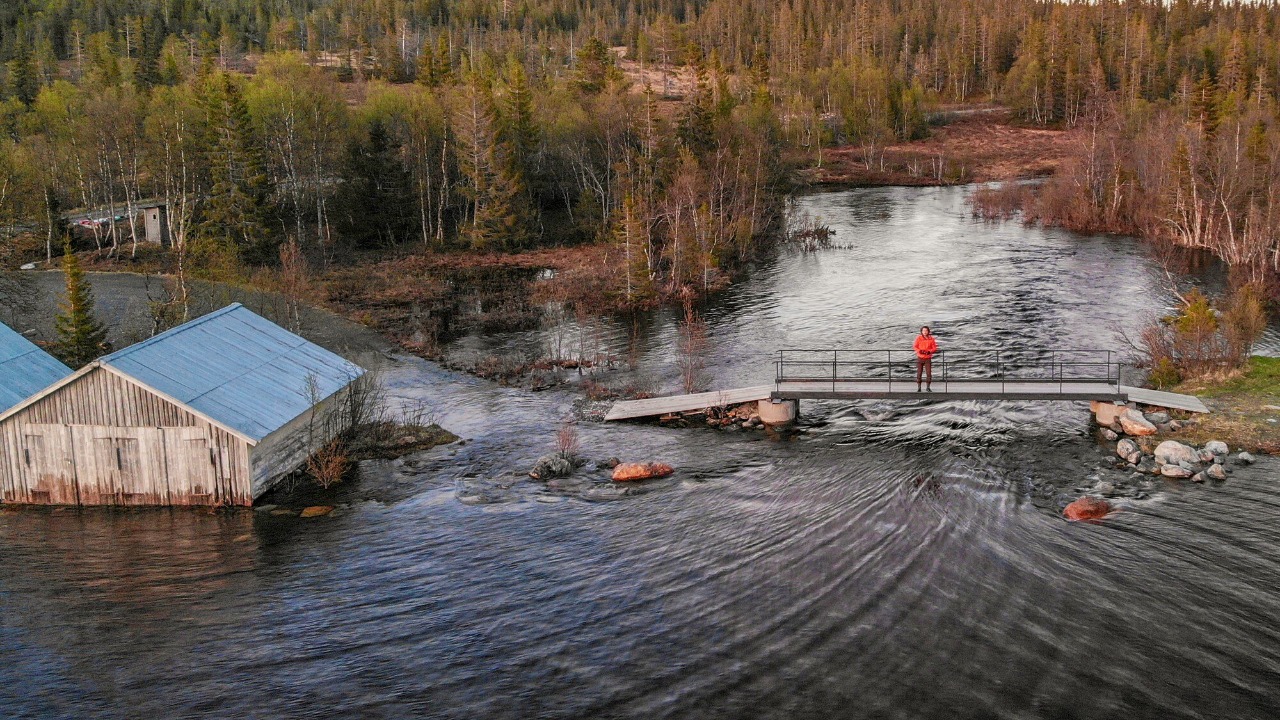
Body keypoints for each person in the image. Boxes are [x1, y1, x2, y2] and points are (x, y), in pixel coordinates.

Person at [913, 326, 937, 392]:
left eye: (926, 330)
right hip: (920, 357)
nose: (925, 332)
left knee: (929, 373)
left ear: (928, 331)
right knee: (919, 372)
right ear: (921, 331)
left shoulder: (931, 339)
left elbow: (934, 348)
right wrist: (919, 351)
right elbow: (915, 346)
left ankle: (928, 387)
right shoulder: (919, 338)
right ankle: (919, 387)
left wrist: (929, 351)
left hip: (928, 358)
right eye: (923, 331)